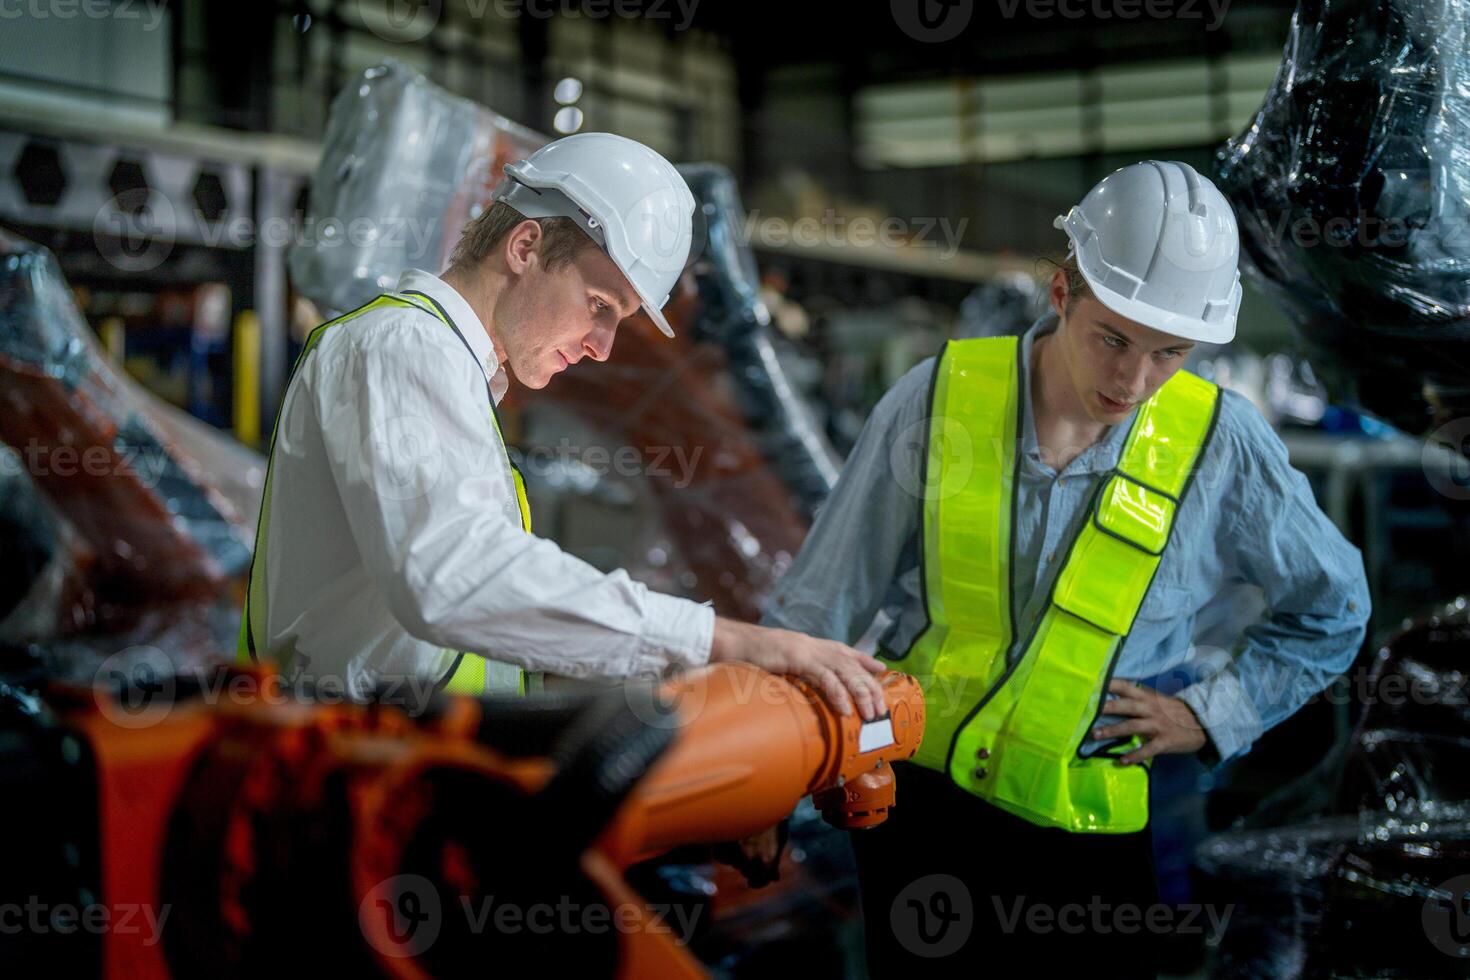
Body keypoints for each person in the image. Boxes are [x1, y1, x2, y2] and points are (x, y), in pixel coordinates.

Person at [759, 160, 1371, 975]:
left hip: (1090, 836)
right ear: (1062, 295)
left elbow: (1333, 607)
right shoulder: (937, 401)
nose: (1134, 379)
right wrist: (765, 775)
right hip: (922, 817)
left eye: (1169, 353)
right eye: (1113, 338)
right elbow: (818, 606)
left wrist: (1211, 714)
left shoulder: (1221, 442)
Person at [237, 132, 885, 725]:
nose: (602, 347)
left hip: (394, 758)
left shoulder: (453, 372)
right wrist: (725, 640)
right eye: (599, 307)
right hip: (344, 772)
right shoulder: (403, 346)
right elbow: (452, 577)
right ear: (526, 246)